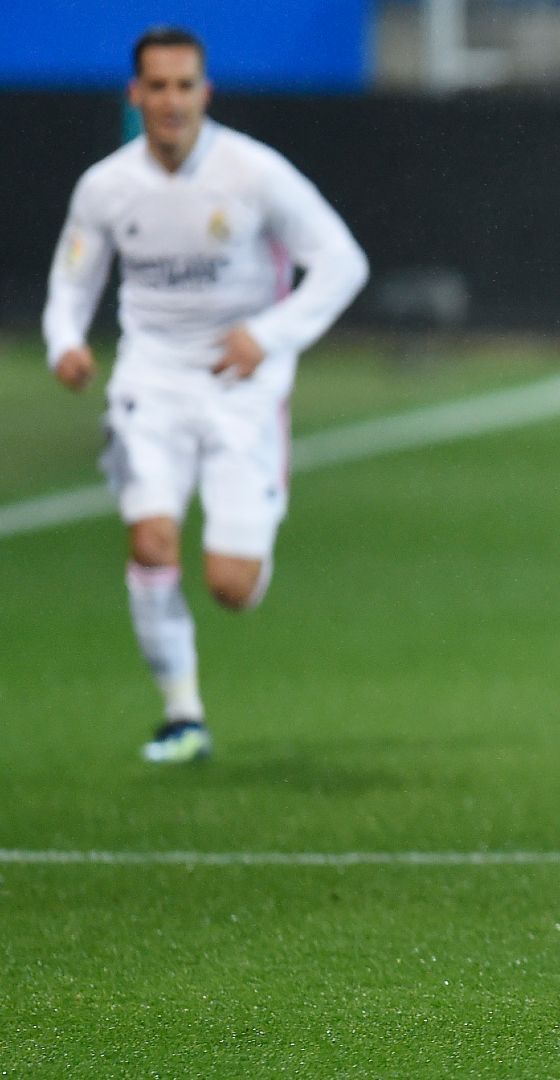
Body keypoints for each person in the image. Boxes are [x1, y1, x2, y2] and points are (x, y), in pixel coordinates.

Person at [42, 26, 368, 764]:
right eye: (156, 86)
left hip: (240, 389)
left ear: (204, 91)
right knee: (151, 539)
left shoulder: (253, 174)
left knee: (231, 585)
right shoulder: (106, 186)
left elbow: (343, 261)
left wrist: (271, 333)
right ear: (135, 94)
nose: (170, 100)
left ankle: (259, 502)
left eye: (184, 85)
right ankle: (182, 713)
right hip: (148, 382)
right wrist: (65, 341)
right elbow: (73, 279)